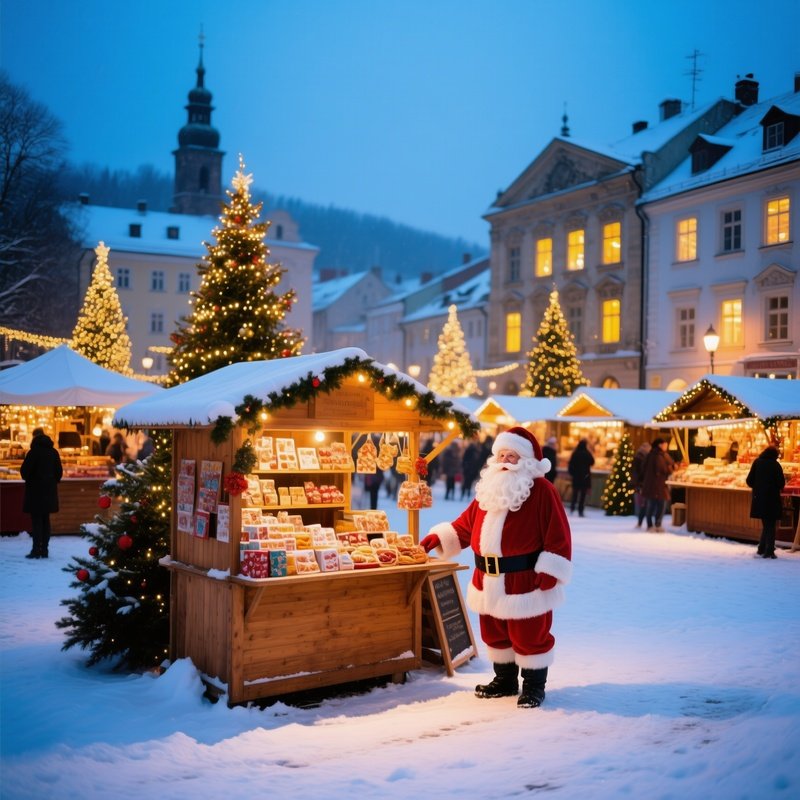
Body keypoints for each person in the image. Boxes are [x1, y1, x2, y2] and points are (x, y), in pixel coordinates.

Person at [420, 427, 572, 708]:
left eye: (512, 455)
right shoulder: (487, 491)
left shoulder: (542, 491)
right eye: (501, 454)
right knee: (496, 634)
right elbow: (466, 525)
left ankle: (534, 687)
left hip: (524, 580)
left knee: (529, 635)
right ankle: (504, 680)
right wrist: (441, 537)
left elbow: (558, 534)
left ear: (525, 460)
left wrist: (550, 570)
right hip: (487, 579)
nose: (504, 460)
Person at [20, 428, 63, 559]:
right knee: (46, 521)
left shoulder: (33, 453)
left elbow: (24, 473)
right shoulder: (54, 452)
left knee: (36, 522)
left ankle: (35, 550)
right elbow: (59, 473)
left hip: (35, 492)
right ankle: (44, 550)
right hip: (49, 492)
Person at [746, 445, 785, 559]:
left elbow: (749, 481)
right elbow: (781, 484)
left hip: (759, 498)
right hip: (772, 499)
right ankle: (769, 551)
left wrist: (758, 487)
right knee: (770, 525)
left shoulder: (757, 462)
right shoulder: (776, 465)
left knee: (766, 524)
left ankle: (761, 548)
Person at [641, 437, 675, 532]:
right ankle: (653, 525)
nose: (666, 446)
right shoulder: (657, 456)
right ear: (660, 445)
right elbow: (662, 469)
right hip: (656, 484)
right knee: (656, 505)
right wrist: (671, 469)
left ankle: (654, 525)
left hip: (656, 485)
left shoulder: (658, 455)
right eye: (665, 444)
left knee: (657, 505)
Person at [567, 439, 594, 517]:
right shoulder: (587, 453)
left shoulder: (575, 453)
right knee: (582, 495)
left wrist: (572, 473)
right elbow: (592, 462)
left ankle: (572, 508)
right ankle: (580, 510)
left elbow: (570, 464)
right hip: (585, 477)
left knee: (575, 494)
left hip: (576, 477)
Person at [630, 441, 652, 528]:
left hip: (639, 483)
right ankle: (641, 520)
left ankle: (640, 521)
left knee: (642, 503)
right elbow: (640, 472)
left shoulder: (637, 457)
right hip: (642, 483)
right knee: (644, 503)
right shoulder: (642, 458)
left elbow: (634, 472)